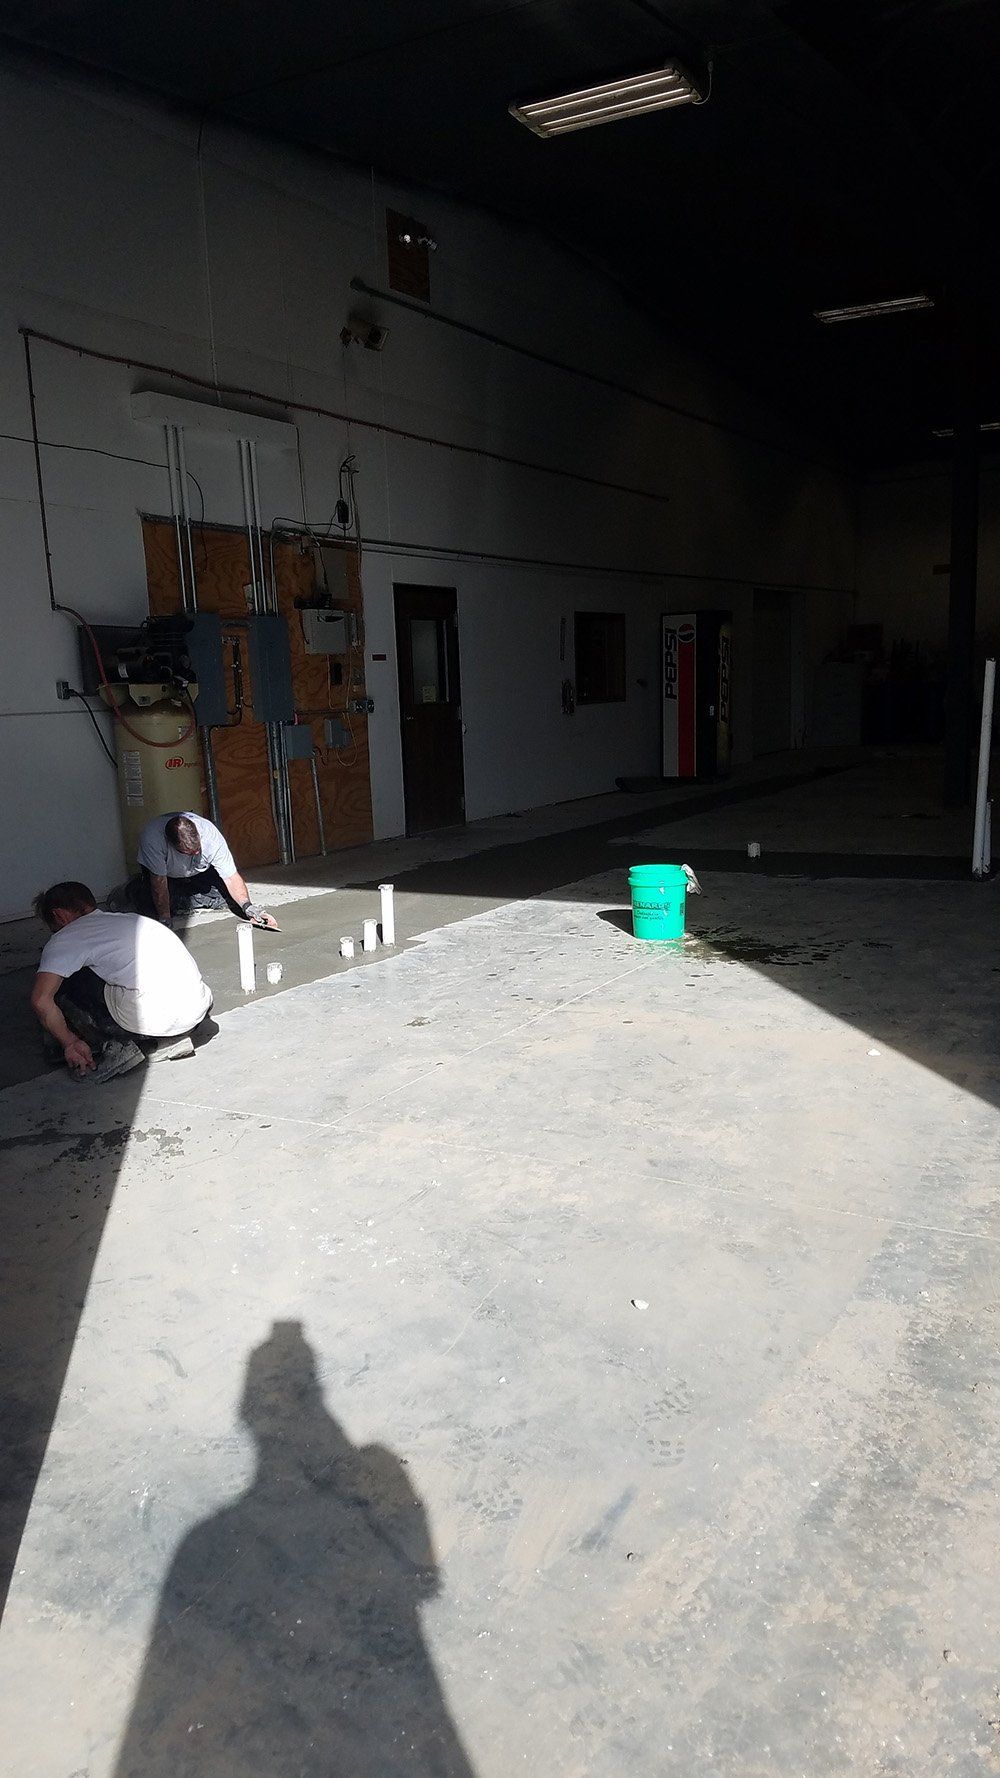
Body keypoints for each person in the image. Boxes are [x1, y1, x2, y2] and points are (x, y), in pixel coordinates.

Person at [31, 881, 213, 1082]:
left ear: (59, 915)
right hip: (196, 1012)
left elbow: (41, 1000)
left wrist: (69, 1042)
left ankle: (116, 1044)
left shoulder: (65, 937)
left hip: (157, 1019)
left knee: (63, 982)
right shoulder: (132, 920)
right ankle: (166, 1040)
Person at [134, 811, 277, 928]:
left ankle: (186, 896)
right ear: (172, 844)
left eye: (198, 849)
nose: (196, 853)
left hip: (198, 872)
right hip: (166, 876)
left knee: (226, 898)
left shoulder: (209, 835)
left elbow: (231, 877)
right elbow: (159, 882)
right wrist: (165, 919)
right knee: (151, 906)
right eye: (189, 852)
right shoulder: (153, 838)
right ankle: (135, 890)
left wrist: (248, 908)